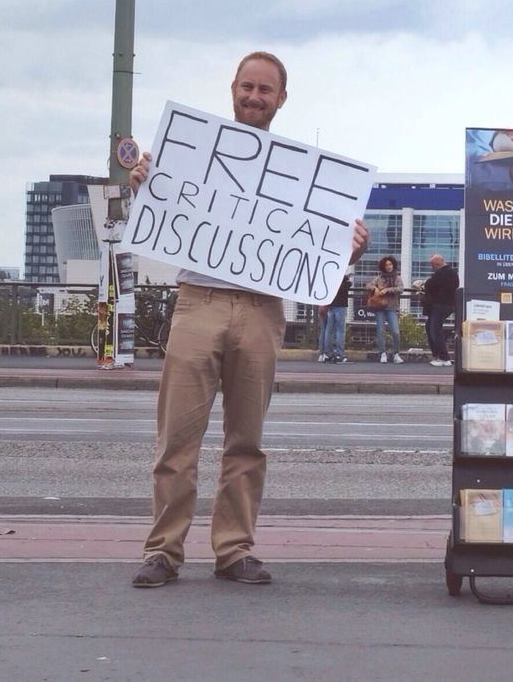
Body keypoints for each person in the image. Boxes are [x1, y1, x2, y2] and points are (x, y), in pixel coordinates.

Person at [129, 51, 370, 588]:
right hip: (198, 300)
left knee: (247, 440)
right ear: (232, 89)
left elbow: (320, 259)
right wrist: (144, 183)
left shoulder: (303, 172)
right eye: (247, 87)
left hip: (263, 308)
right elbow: (156, 209)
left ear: (281, 99)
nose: (254, 97)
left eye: (265, 90)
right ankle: (163, 551)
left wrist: (347, 250)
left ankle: (233, 549)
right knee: (176, 438)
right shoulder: (189, 153)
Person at [423, 254, 459, 367]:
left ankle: (443, 358)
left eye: (432, 265)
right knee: (430, 327)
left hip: (440, 305)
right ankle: (438, 356)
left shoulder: (441, 273)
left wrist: (427, 283)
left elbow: (429, 285)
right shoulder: (453, 273)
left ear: (437, 264)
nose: (432, 268)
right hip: (449, 305)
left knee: (434, 330)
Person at [368, 256, 404, 364]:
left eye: (390, 264)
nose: (389, 267)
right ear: (383, 267)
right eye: (386, 265)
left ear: (393, 265)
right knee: (380, 331)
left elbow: (400, 289)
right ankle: (382, 353)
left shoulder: (397, 278)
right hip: (380, 308)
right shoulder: (379, 278)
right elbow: (368, 285)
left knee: (395, 332)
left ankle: (396, 353)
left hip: (392, 308)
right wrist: (375, 288)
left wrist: (387, 290)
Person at [319, 269, 353, 364]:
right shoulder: (344, 282)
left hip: (330, 305)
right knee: (340, 330)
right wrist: (349, 281)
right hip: (341, 306)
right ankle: (340, 355)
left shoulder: (330, 279)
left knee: (328, 330)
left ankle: (328, 353)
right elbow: (345, 286)